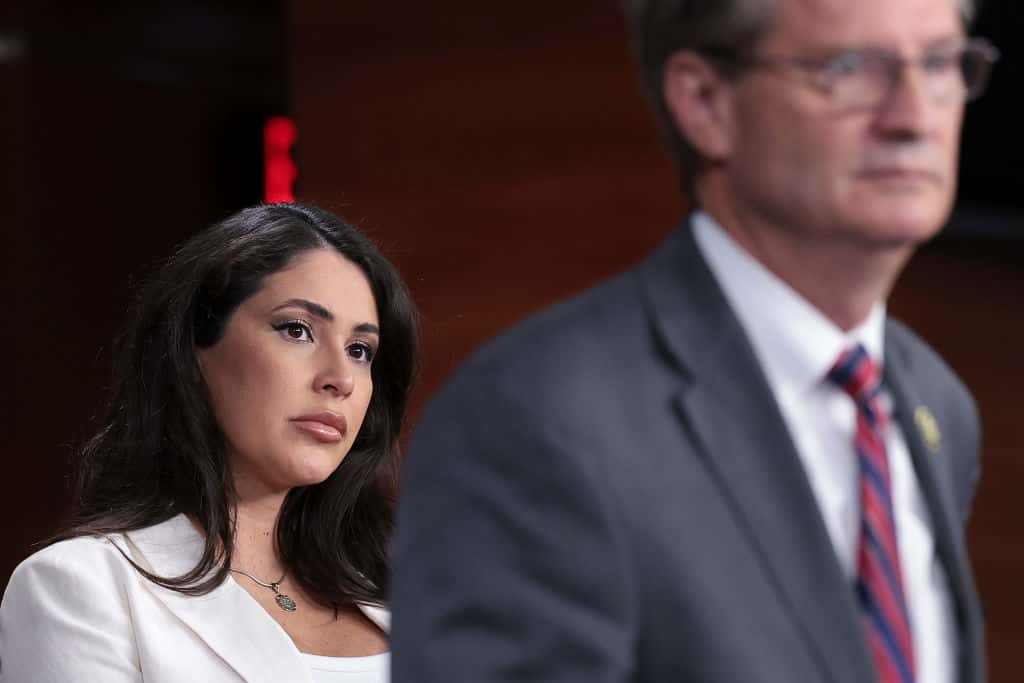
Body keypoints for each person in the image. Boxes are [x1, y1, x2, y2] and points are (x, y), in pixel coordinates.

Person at [390, 0, 998, 681]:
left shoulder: (935, 402)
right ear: (707, 103)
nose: (915, 117)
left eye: (940, 62)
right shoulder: (533, 420)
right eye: (849, 68)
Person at [0, 203, 418, 682]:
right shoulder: (84, 587)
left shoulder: (409, 599)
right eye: (297, 330)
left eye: (360, 350)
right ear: (195, 351)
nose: (340, 378)